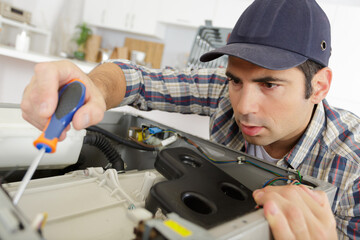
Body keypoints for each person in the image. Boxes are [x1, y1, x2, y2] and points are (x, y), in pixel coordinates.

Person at [21, 0, 359, 239]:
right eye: (235, 80)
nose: (243, 106)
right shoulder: (222, 90)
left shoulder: (353, 165)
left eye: (269, 84)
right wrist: (92, 85)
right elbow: (138, 79)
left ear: (319, 86)